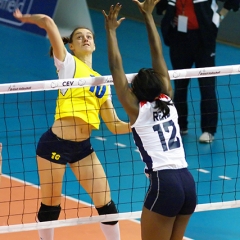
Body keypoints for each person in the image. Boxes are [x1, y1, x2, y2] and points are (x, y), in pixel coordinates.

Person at [13, 9, 131, 240]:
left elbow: (115, 125)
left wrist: (140, 122)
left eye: (89, 36)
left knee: (106, 205)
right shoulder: (68, 64)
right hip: (54, 145)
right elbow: (47, 21)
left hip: (82, 149)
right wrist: (26, 19)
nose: (86, 38)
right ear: (73, 47)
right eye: (79, 37)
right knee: (51, 207)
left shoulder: (102, 81)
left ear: (94, 45)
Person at [103, 1, 197, 240]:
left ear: (135, 92)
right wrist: (147, 15)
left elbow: (115, 66)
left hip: (164, 184)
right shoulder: (169, 98)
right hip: (187, 182)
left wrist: (111, 31)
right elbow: (157, 52)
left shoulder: (136, 110)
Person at [156, 0, 240, 143]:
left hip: (204, 42)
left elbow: (234, 2)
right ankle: (180, 125)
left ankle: (208, 130)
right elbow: (160, 5)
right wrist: (169, 18)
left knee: (207, 87)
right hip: (179, 40)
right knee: (180, 87)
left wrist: (218, 18)